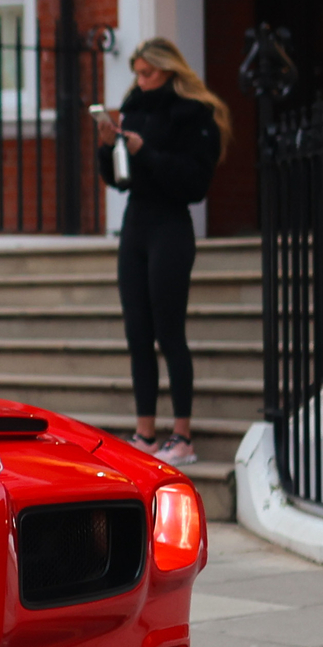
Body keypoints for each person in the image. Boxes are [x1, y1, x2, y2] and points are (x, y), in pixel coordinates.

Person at [95, 37, 230, 467]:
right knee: (137, 332)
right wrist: (107, 147)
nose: (140, 80)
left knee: (169, 332)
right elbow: (119, 181)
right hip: (135, 225)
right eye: (136, 73)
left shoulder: (194, 115)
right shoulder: (135, 106)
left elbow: (193, 183)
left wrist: (144, 150)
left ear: (170, 71)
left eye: (147, 73)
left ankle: (183, 435)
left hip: (171, 225)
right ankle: (145, 432)